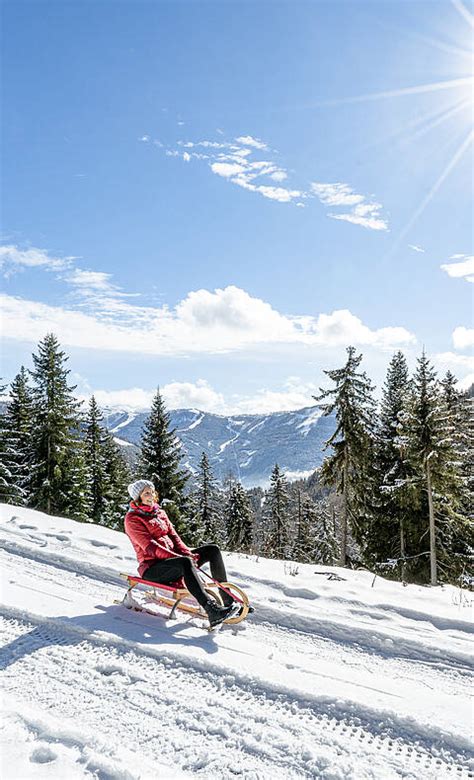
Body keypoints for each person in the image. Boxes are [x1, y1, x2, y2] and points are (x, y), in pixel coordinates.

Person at [124, 479, 239, 627]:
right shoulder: (132, 519)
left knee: (213, 550)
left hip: (175, 561)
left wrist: (187, 553)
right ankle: (212, 611)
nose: (151, 495)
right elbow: (150, 547)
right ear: (138, 497)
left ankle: (228, 601)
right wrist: (181, 558)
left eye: (152, 491)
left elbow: (175, 537)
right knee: (185, 562)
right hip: (153, 568)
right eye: (146, 493)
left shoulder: (160, 513)